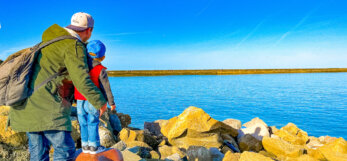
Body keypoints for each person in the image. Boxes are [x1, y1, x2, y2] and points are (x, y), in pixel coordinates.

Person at [9, 12, 108, 161]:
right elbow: (81, 80)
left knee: (38, 152)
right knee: (65, 150)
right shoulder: (73, 45)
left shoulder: (48, 41)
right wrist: (100, 102)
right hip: (48, 107)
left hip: (26, 104)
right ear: (89, 30)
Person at [74, 40, 117, 154]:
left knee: (82, 122)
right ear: (103, 57)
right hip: (93, 101)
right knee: (92, 122)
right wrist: (111, 103)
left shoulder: (80, 67)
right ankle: (94, 146)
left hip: (79, 100)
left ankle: (84, 145)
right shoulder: (100, 69)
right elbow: (106, 88)